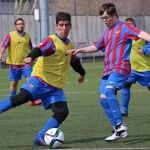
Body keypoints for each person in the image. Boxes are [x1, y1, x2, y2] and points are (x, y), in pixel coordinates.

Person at [0, 12, 86, 146]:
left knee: (62, 112)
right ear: (56, 26)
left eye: (67, 25)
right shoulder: (51, 41)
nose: (64, 28)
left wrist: (82, 73)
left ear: (70, 26)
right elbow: (39, 50)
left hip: (55, 87)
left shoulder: (70, 44)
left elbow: (73, 60)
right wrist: (30, 56)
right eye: (61, 25)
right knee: (20, 98)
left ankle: (40, 137)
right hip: (40, 80)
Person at [67, 3, 150, 142]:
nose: (104, 20)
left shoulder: (125, 27)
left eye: (106, 17)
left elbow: (142, 34)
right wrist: (79, 50)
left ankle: (120, 125)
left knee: (109, 91)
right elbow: (96, 46)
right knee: (103, 99)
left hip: (121, 67)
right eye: (102, 18)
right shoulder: (107, 32)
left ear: (114, 15)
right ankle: (117, 128)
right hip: (108, 70)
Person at [0, 18, 41, 106]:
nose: (21, 25)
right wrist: (0, 54)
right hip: (14, 64)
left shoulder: (27, 36)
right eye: (19, 24)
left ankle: (33, 101)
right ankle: (12, 100)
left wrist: (34, 57)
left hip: (26, 64)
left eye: (22, 23)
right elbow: (3, 46)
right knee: (14, 83)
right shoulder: (10, 35)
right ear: (15, 26)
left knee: (31, 82)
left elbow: (31, 48)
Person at [121, 18, 150, 117]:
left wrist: (145, 50)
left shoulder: (142, 34)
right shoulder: (124, 37)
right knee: (126, 85)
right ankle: (124, 110)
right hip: (131, 68)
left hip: (145, 68)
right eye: (127, 25)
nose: (129, 27)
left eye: (131, 25)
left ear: (135, 26)